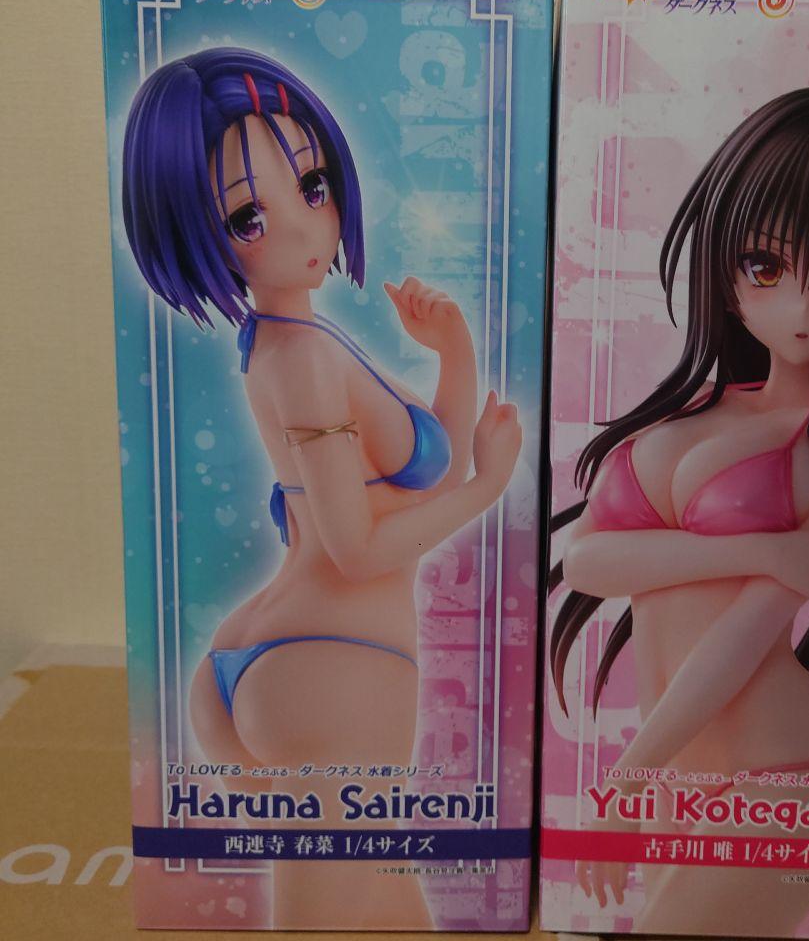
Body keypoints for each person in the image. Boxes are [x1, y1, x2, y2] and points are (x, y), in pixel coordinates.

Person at [548, 85, 809, 935]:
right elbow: (587, 563)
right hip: (684, 768)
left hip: (788, 767)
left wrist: (628, 779)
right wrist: (762, 552)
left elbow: (751, 627)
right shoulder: (690, 410)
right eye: (767, 267)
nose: (804, 311)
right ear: (724, 260)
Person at [123, 46, 522, 928]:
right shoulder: (300, 361)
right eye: (247, 216)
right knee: (336, 917)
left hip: (287, 661)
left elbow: (417, 474)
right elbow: (359, 549)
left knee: (385, 907)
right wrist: (488, 490)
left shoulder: (303, 343)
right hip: (333, 668)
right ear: (195, 234)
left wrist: (453, 354)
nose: (308, 231)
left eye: (311, 187)